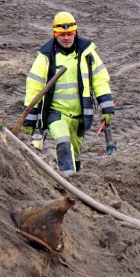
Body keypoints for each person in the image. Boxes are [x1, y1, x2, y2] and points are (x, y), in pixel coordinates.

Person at [23, 12, 116, 176]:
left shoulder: (87, 53)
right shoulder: (46, 57)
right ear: (55, 35)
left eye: (69, 34)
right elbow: (34, 88)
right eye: (62, 35)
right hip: (56, 113)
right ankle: (68, 182)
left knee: (75, 153)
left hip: (80, 116)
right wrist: (29, 120)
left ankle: (76, 179)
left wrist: (107, 108)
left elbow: (100, 80)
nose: (66, 38)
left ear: (75, 33)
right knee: (63, 143)